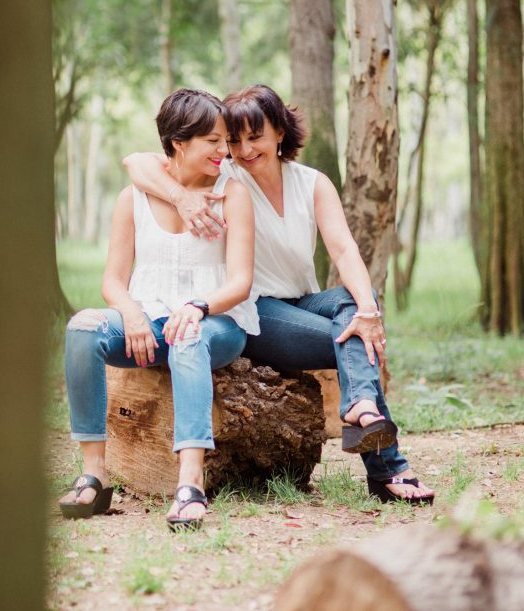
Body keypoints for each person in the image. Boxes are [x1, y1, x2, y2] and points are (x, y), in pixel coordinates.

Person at [123, 84, 435, 504]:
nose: (244, 149)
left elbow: (343, 248)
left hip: (303, 301)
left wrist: (367, 310)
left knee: (359, 304)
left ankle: (361, 404)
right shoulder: (226, 177)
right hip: (254, 310)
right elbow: (136, 162)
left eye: (256, 137)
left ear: (280, 133)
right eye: (234, 140)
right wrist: (181, 197)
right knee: (352, 343)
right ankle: (388, 469)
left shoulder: (312, 183)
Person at [60, 88, 258, 530]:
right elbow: (113, 279)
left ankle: (190, 483)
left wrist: (199, 307)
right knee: (82, 328)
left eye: (225, 140)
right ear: (177, 142)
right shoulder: (132, 199)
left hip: (216, 322)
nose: (225, 151)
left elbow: (241, 282)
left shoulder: (233, 195)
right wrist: (130, 312)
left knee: (187, 333)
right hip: (148, 318)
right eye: (213, 140)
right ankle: (94, 473)